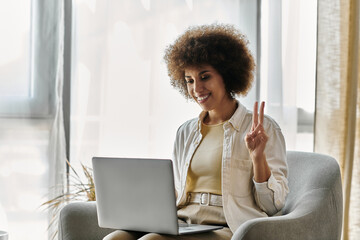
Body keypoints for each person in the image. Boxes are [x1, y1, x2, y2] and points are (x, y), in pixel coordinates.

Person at [104, 23, 289, 240]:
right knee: (113, 239)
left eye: (205, 77)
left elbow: (274, 206)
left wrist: (258, 159)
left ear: (227, 75)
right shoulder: (186, 132)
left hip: (227, 227)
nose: (196, 89)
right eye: (189, 81)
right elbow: (175, 191)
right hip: (184, 222)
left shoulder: (262, 128)